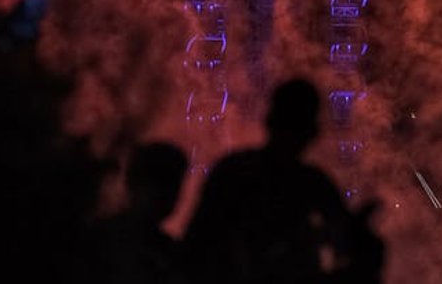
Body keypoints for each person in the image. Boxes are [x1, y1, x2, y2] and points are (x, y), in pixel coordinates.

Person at [185, 79, 384, 284]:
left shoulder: (233, 171)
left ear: (270, 121)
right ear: (312, 133)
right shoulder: (311, 184)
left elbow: (195, 246)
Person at [95, 143, 189, 284]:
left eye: (173, 188)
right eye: (161, 187)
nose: (169, 197)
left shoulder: (167, 253)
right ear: (135, 183)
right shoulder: (100, 243)